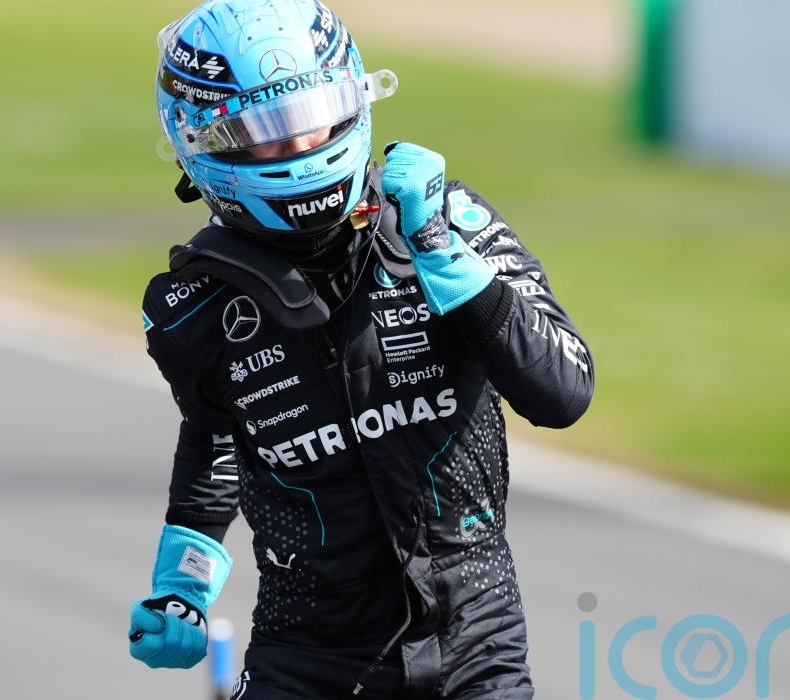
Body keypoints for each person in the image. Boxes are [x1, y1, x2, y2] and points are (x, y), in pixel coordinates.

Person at [129, 0, 594, 697]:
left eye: (314, 115)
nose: (300, 145)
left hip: (477, 642)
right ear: (205, 143)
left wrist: (443, 254)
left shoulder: (447, 223)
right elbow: (217, 430)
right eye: (265, 131)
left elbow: (563, 393)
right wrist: (181, 588)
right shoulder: (193, 308)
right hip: (309, 653)